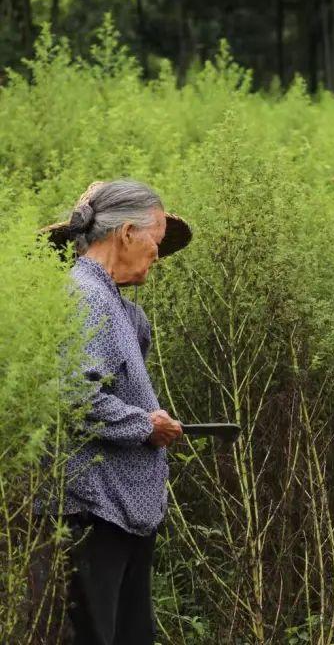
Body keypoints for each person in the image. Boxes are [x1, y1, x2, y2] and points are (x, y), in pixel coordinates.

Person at [40, 180, 191, 644]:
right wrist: (144, 424)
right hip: (93, 509)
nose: (158, 254)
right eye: (156, 239)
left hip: (119, 509)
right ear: (127, 232)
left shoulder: (111, 302)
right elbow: (73, 395)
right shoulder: (85, 297)